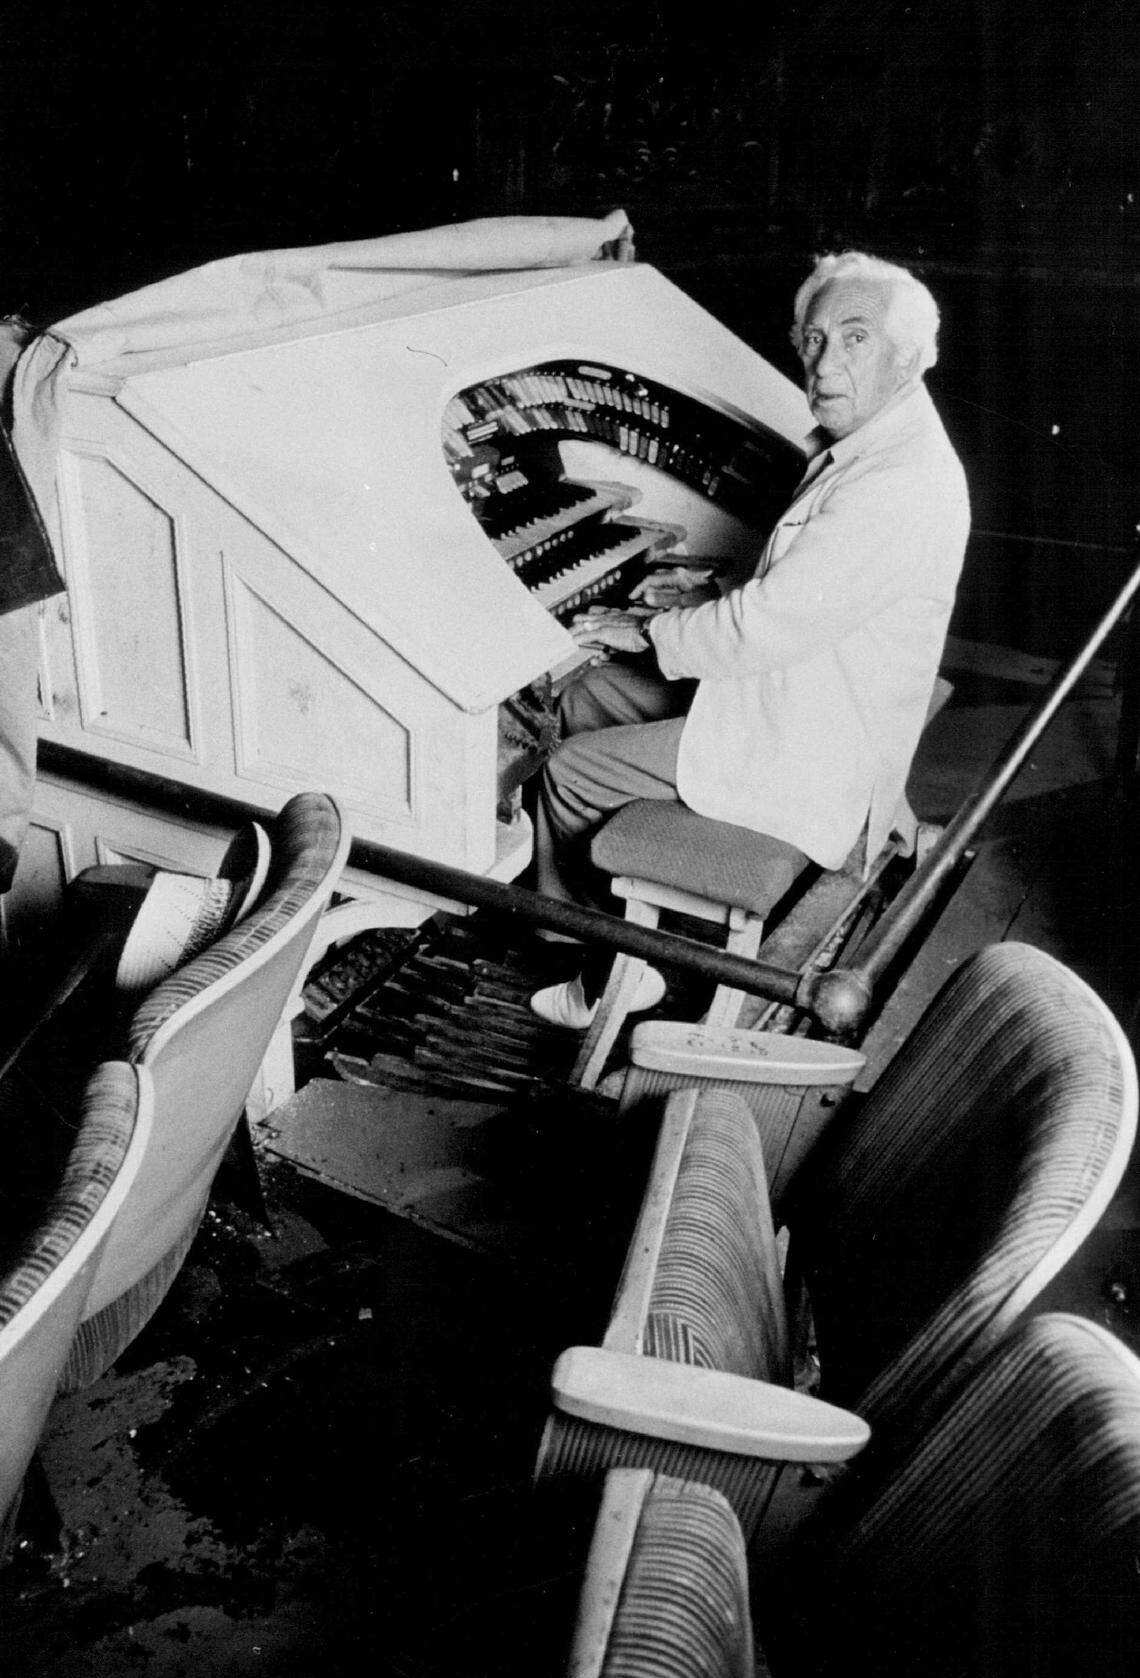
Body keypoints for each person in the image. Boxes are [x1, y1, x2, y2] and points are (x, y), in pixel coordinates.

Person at [530, 249, 970, 1029]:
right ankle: (604, 920)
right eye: (813, 340)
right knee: (589, 694)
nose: (824, 365)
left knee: (567, 774)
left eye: (856, 339)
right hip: (800, 702)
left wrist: (649, 628)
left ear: (910, 356)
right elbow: (802, 595)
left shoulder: (897, 483)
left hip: (813, 748)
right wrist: (700, 603)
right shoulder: (880, 441)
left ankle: (609, 970)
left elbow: (762, 628)